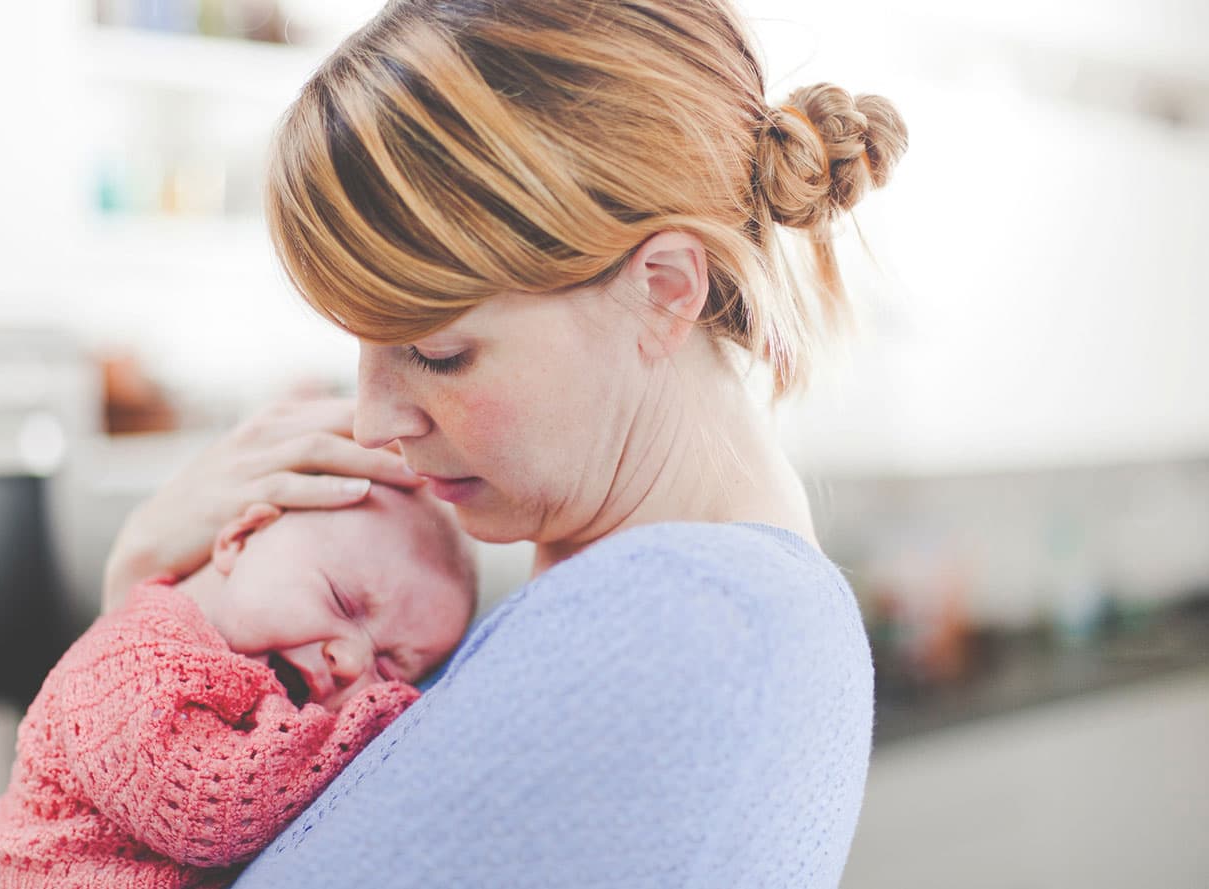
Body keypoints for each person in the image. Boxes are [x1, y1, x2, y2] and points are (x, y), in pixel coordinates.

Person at [103, 0, 907, 885]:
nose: (375, 421)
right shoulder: (661, 602)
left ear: (666, 289)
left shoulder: (671, 630)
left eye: (439, 353)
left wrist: (129, 616)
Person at [0, 485, 476, 888]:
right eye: (342, 602)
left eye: (389, 669)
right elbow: (211, 814)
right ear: (240, 538)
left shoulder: (247, 668)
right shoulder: (129, 659)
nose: (351, 660)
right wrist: (380, 712)